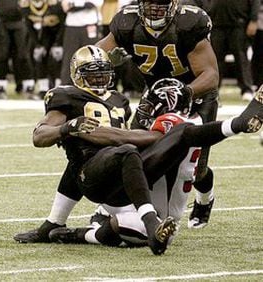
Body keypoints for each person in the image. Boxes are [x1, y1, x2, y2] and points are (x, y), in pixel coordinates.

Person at [48, 80, 263, 247]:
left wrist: (92, 133)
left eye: (149, 105)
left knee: (132, 221)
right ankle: (100, 219)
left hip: (157, 213)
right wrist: (205, 199)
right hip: (152, 202)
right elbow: (203, 174)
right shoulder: (194, 125)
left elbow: (138, 142)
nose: (143, 109)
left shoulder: (172, 123)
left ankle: (82, 234)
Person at [14, 45, 179, 255]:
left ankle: (57, 225)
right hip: (92, 174)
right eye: (93, 75)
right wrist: (67, 127)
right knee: (120, 151)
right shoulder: (67, 96)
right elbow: (39, 136)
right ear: (77, 74)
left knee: (146, 154)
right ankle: (149, 222)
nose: (100, 79)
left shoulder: (120, 100)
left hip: (115, 171)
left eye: (104, 74)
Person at [94, 0, 220, 229]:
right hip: (155, 96)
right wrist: (105, 61)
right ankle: (113, 207)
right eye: (150, 3)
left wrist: (186, 91)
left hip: (196, 96)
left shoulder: (188, 22)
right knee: (133, 151)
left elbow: (210, 74)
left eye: (161, 4)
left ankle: (205, 198)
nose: (155, 9)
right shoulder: (127, 21)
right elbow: (95, 53)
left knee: (195, 169)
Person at [209, 0, 260, 102]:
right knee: (215, 60)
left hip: (238, 23)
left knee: (241, 58)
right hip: (216, 23)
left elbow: (255, 1)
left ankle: (247, 89)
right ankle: (212, 90)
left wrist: (254, 20)